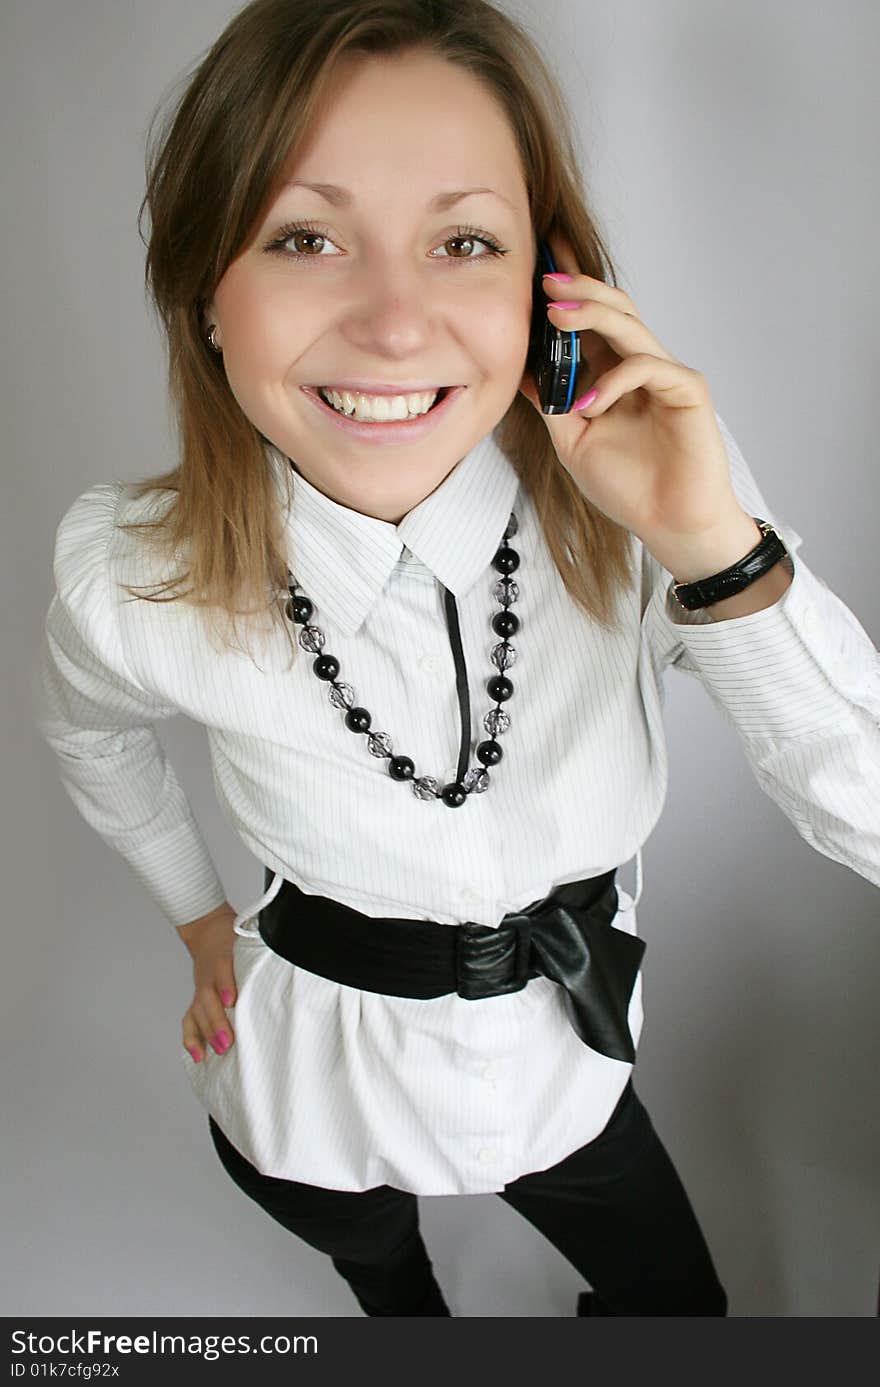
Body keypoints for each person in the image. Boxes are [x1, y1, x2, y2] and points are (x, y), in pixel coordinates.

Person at [33, 0, 879, 1319]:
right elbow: (88, 730)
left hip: (568, 1056)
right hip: (312, 1074)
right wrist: (199, 916)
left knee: (679, 1310)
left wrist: (715, 546)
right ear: (208, 295)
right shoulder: (128, 568)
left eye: (463, 240)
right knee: (378, 1276)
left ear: (547, 286)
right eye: (307, 237)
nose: (392, 319)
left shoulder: (654, 503)